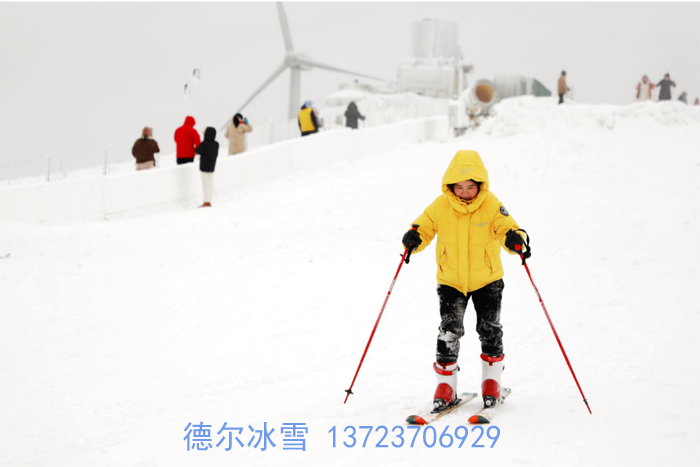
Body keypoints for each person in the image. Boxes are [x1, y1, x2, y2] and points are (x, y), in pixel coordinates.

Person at [401, 149, 530, 415]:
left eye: (470, 187)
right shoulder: (441, 205)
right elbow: (423, 227)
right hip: (451, 281)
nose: (464, 192)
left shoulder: (492, 204)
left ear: (479, 185)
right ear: (450, 186)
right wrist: (413, 239)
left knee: (489, 329)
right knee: (448, 332)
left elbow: (509, 228)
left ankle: (492, 382)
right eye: (458, 187)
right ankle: (445, 387)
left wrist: (516, 240)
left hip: (488, 280)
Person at [195, 127, 219, 208]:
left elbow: (197, 151)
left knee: (205, 184)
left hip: (204, 167)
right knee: (210, 184)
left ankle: (206, 201)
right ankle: (208, 200)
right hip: (212, 167)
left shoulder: (204, 144)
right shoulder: (216, 144)